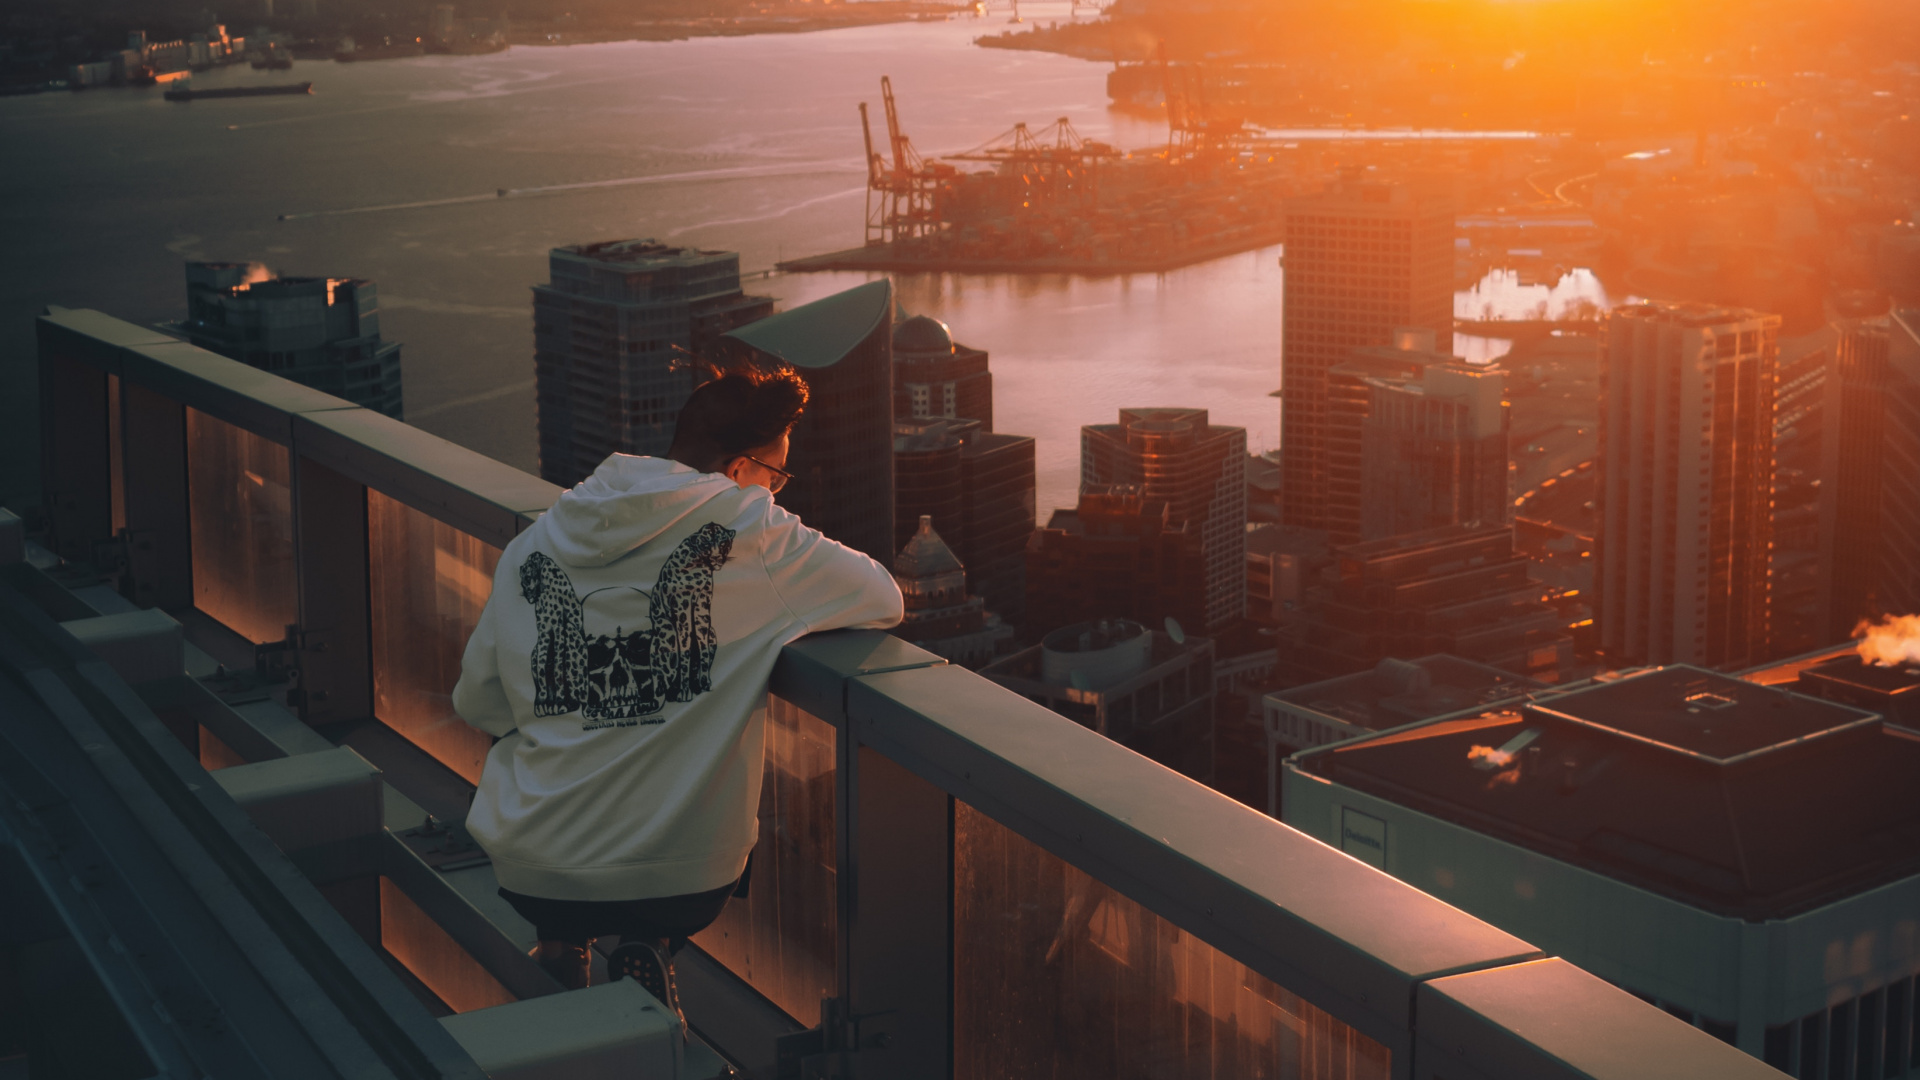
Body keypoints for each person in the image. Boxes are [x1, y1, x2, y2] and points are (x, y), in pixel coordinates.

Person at [451, 367, 903, 1013]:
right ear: (741, 466)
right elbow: (883, 597)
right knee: (671, 852)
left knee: (564, 846)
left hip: (532, 869)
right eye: (775, 476)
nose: (774, 490)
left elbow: (478, 703)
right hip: (680, 880)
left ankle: (561, 948)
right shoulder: (751, 533)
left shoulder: (538, 541)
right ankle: (652, 946)